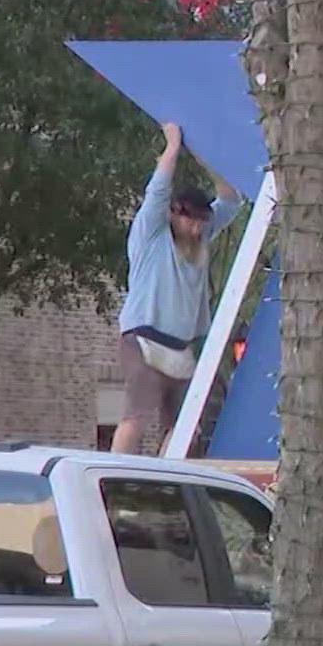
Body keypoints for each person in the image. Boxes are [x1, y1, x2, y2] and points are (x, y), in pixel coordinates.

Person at [114, 121, 240, 455]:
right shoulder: (152, 236)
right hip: (143, 341)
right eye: (188, 218)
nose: (196, 226)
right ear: (173, 214)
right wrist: (172, 146)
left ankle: (165, 479)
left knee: (187, 427)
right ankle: (115, 480)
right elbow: (157, 190)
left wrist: (205, 157)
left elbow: (230, 200)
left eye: (200, 219)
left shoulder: (202, 241)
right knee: (137, 416)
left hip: (182, 347)